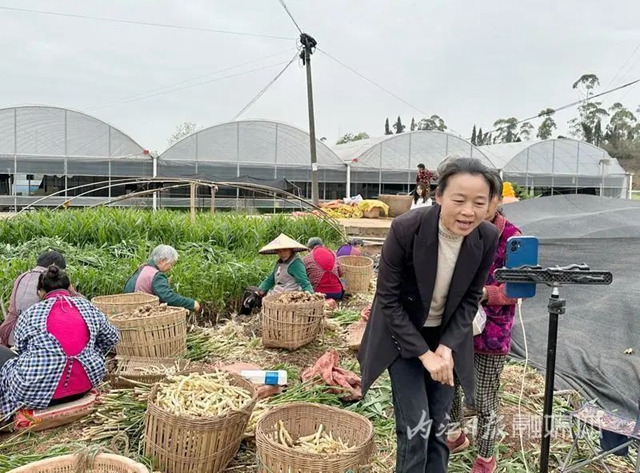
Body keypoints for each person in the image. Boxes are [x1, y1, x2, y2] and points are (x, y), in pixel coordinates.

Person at [357, 157, 500, 473]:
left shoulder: (486, 236)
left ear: (490, 204)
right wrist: (424, 354)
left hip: (445, 338)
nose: (468, 211)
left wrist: (446, 348)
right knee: (416, 429)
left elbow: (469, 300)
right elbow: (388, 300)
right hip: (402, 335)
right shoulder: (406, 229)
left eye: (479, 202)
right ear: (438, 196)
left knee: (439, 427)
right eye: (459, 200)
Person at [447, 175, 522, 473]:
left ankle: (486, 456)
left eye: (483, 200)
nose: (474, 209)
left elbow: (519, 289)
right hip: (456, 327)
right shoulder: (462, 231)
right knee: (449, 386)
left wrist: (483, 293)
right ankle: (456, 435)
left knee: (483, 398)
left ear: (498, 201)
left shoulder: (513, 240)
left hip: (492, 333)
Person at [0, 265, 119, 421]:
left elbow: (22, 350)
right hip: (84, 385)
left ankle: (7, 412)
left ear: (40, 292)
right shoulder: (88, 307)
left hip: (37, 395)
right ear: (69, 288)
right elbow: (111, 338)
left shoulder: (31, 313)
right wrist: (91, 349)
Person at [0, 251, 82, 348]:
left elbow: (13, 309)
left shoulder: (22, 277)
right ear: (54, 266)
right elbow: (78, 304)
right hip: (39, 339)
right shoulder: (51, 280)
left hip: (11, 333)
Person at [124, 245, 200, 313]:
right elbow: (168, 297)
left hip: (128, 310)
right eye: (171, 264)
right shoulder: (156, 276)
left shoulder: (141, 269)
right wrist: (191, 303)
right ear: (163, 261)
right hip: (141, 314)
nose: (170, 268)